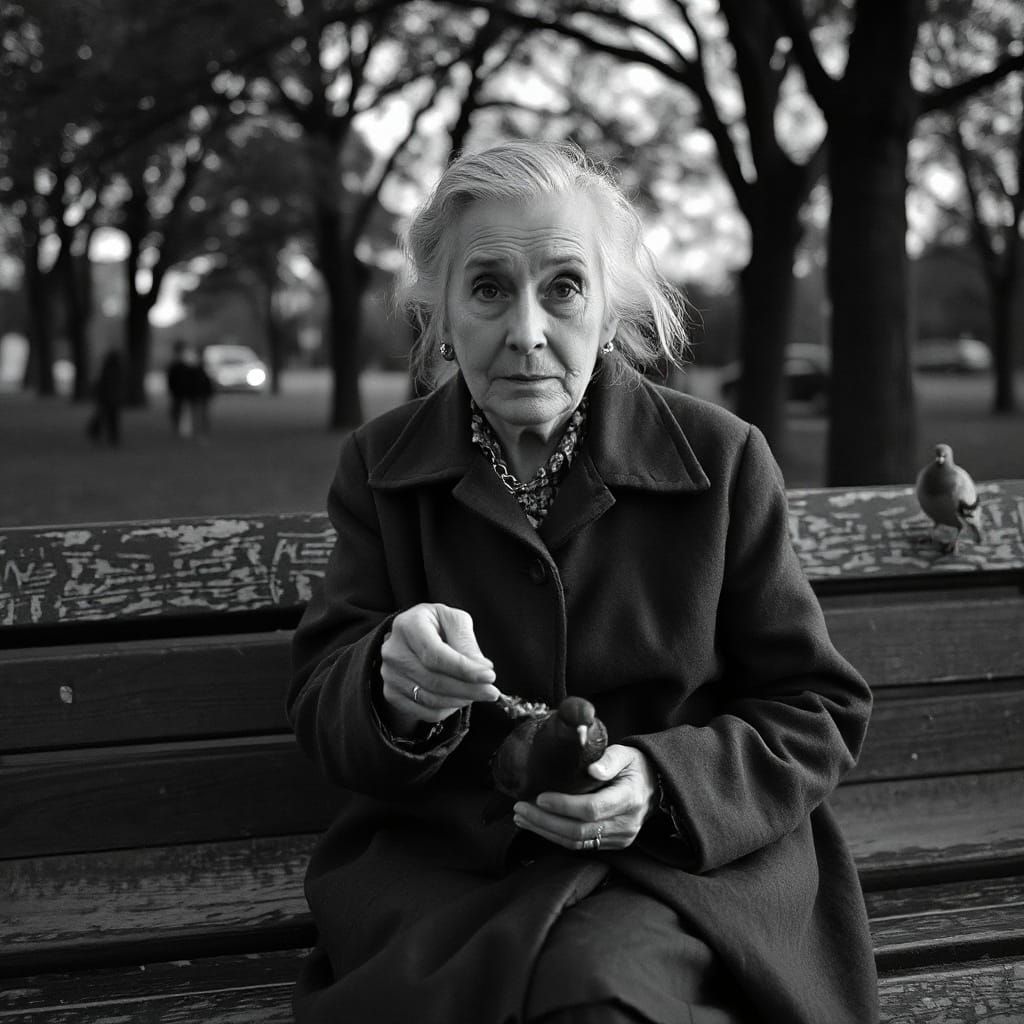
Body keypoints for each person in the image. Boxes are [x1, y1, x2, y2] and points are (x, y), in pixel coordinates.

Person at [287, 141, 878, 1024]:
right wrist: (390, 685)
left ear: (608, 311)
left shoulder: (722, 461)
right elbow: (324, 701)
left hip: (685, 877)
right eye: (488, 288)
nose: (527, 330)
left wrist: (660, 780)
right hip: (452, 880)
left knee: (596, 997)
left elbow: (816, 708)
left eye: (563, 286)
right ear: (441, 315)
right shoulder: (380, 467)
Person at [86, 349, 123, 446]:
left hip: (108, 399)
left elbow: (101, 384)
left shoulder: (108, 369)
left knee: (107, 418)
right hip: (112, 399)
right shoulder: (116, 370)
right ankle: (112, 437)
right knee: (111, 419)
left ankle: (109, 436)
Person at [166, 340, 191, 437]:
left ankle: (181, 428)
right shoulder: (176, 365)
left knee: (179, 410)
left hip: (180, 391)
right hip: (178, 391)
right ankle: (178, 428)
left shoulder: (180, 365)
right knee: (177, 409)